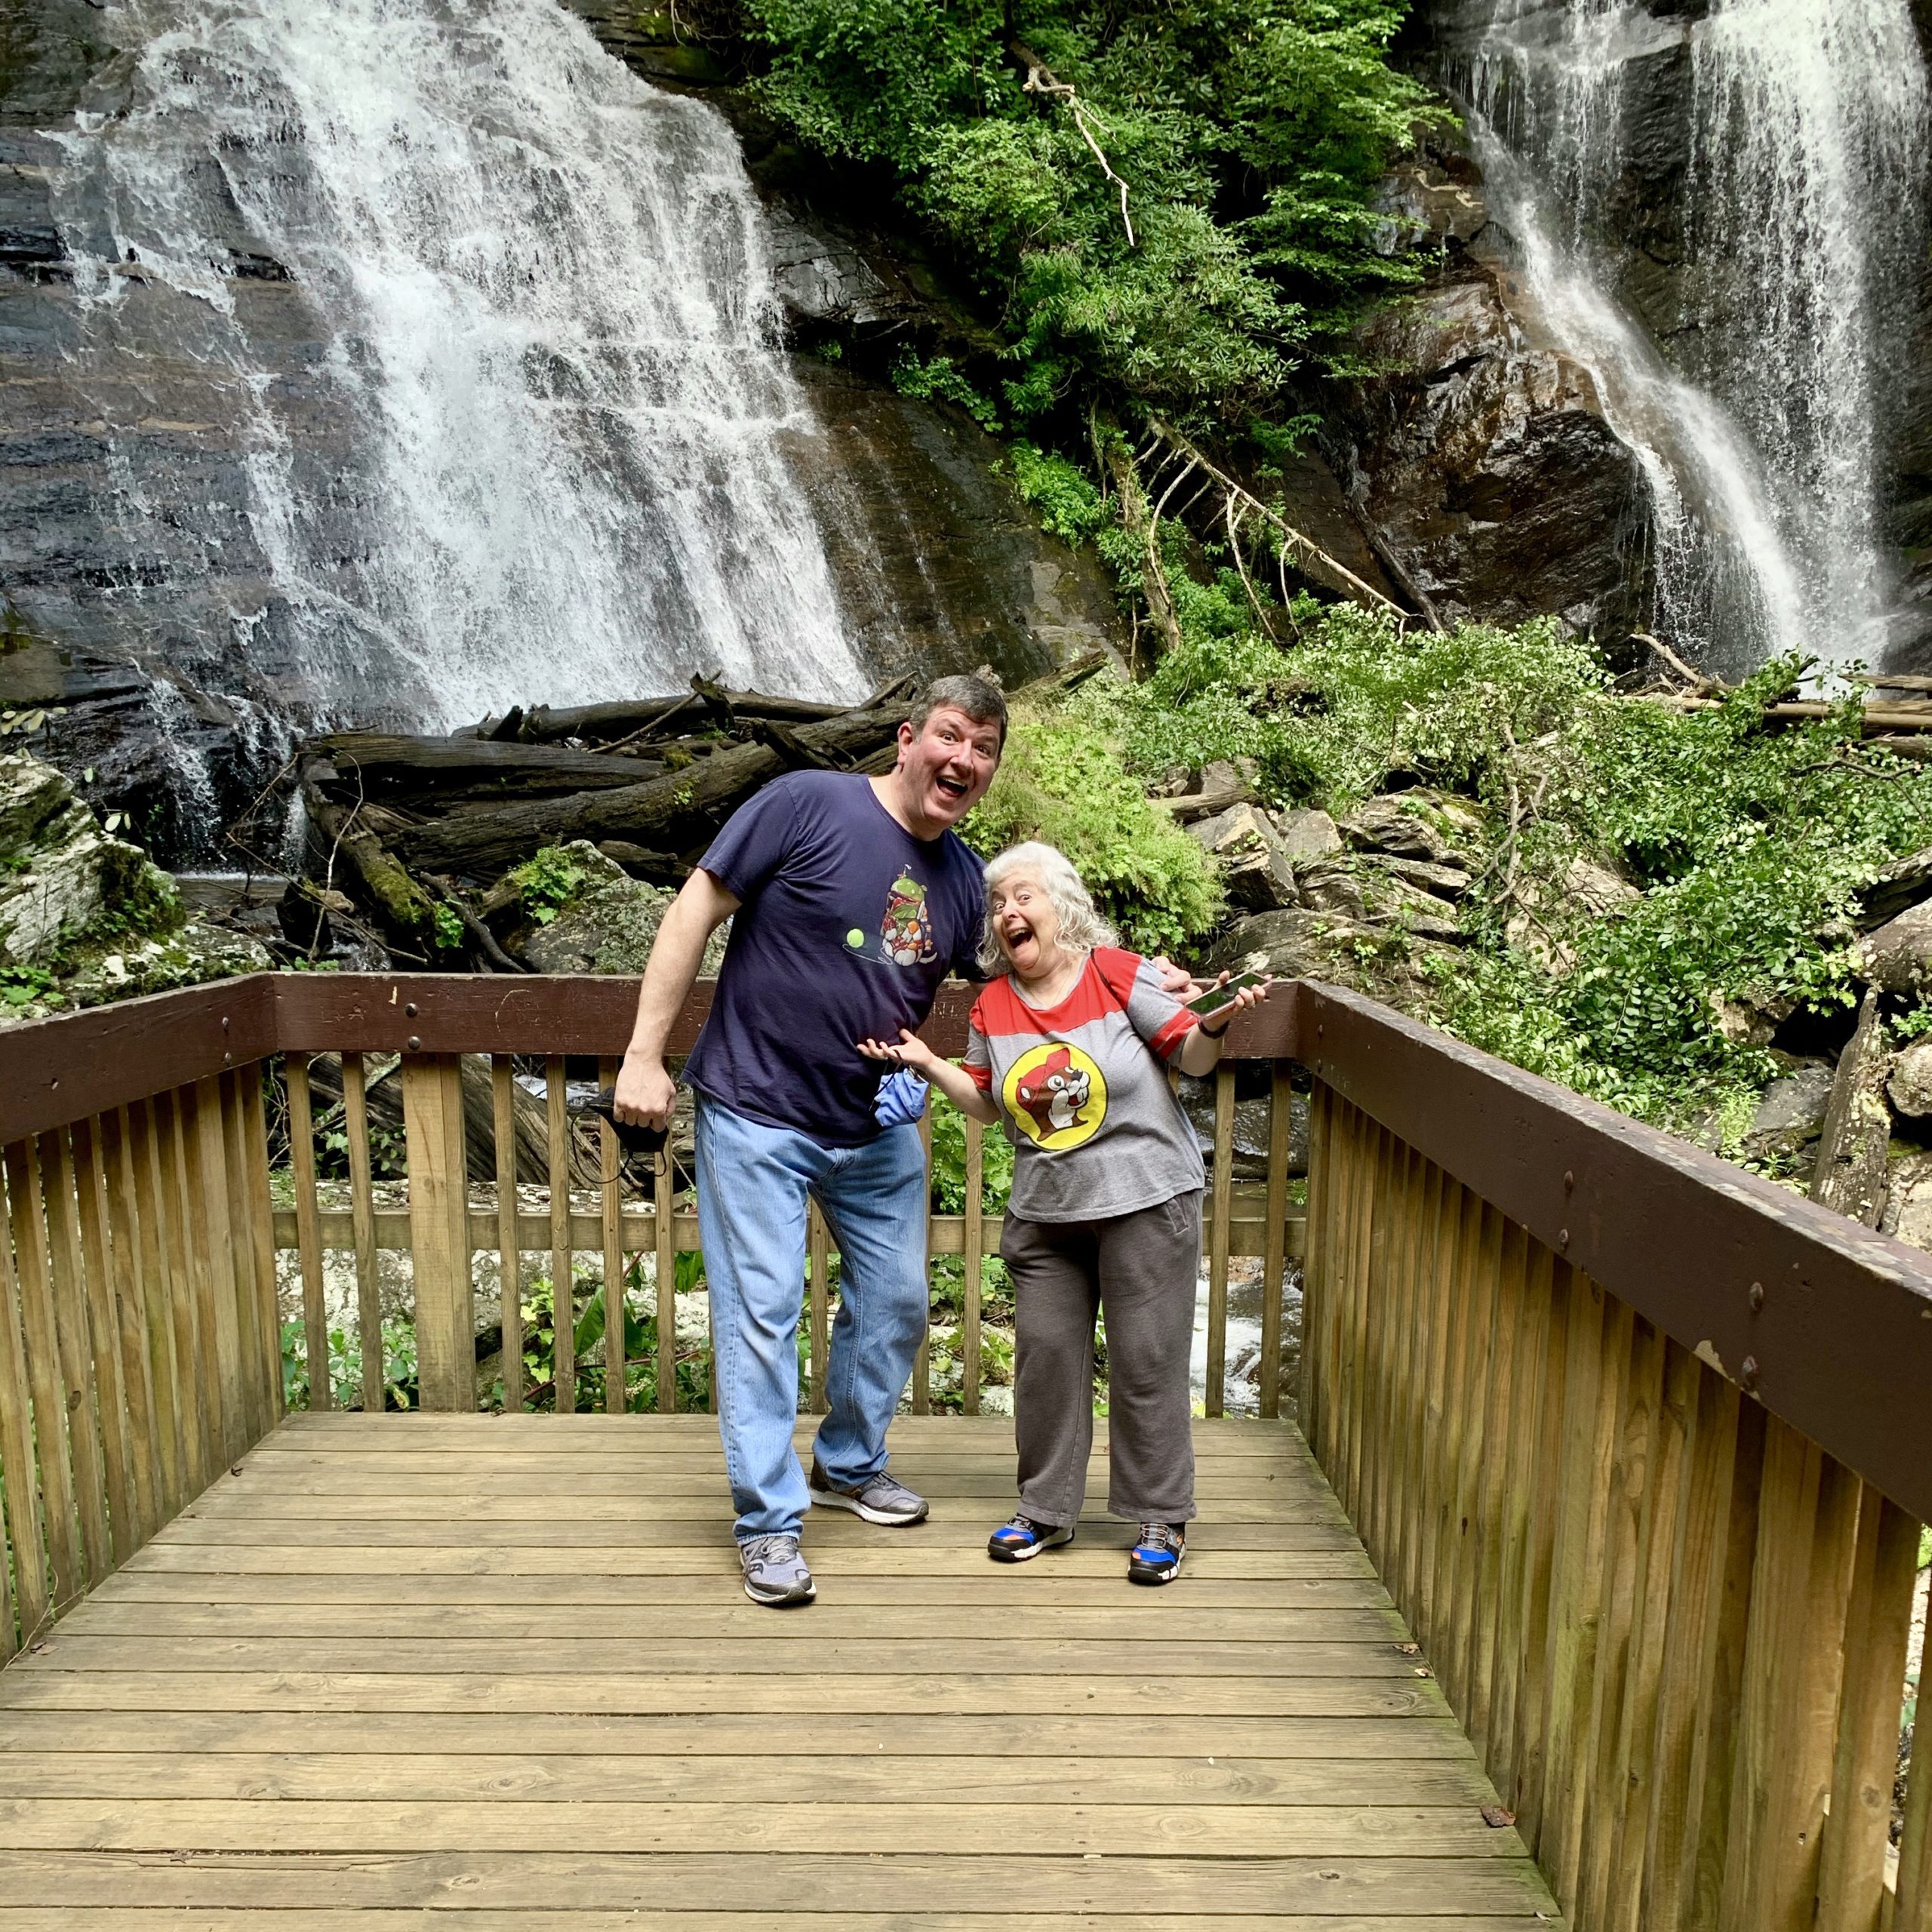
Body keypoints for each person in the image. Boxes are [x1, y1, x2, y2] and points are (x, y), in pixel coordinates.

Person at [611, 674, 1008, 1608]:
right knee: (763, 1313)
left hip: (874, 1123)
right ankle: (768, 1523)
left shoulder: (961, 880)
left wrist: (1130, 992)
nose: (962, 760)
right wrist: (642, 1056)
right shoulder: (804, 803)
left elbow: (1018, 982)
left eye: (983, 749)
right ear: (908, 738)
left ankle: (850, 1459)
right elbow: (692, 912)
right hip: (756, 1107)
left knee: (901, 1297)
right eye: (949, 737)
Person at [860, 841, 1268, 1586]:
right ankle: (1045, 1508)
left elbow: (1191, 1056)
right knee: (1045, 1360)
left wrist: (1213, 1024)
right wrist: (926, 1061)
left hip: (1146, 1199)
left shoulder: (1116, 974)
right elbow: (987, 1102)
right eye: (998, 903)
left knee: (1147, 1362)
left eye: (1023, 896)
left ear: (1063, 906)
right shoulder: (990, 1003)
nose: (1009, 912)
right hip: (1046, 1211)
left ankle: (1160, 1515)